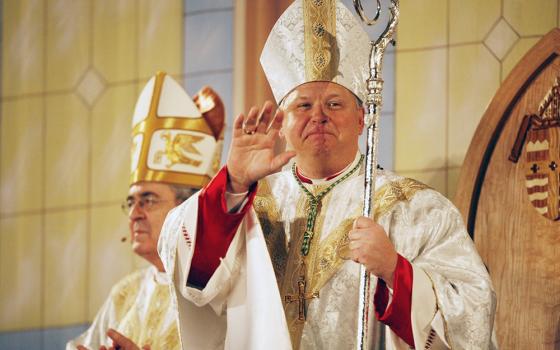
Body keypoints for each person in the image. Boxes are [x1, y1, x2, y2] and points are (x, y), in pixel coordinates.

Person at [159, 1, 497, 349]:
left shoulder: (417, 209)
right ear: (282, 124)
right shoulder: (249, 201)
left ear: (362, 118)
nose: (318, 116)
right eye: (302, 105)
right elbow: (181, 266)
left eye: (334, 104)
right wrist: (232, 184)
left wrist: (395, 270)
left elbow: (473, 312)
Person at [67, 72, 225, 350]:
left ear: (184, 210)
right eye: (131, 202)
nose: (135, 214)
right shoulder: (125, 294)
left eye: (148, 200)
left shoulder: (216, 291)